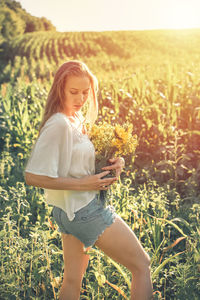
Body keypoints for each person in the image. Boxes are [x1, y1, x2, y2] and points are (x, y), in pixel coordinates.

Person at [24, 60, 153, 300]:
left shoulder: (75, 119)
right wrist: (83, 184)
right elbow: (33, 176)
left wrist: (116, 163)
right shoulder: (60, 123)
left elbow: (78, 164)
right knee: (142, 266)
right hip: (85, 210)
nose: (81, 98)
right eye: (74, 92)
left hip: (69, 212)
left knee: (72, 280)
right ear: (59, 89)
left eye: (86, 92)